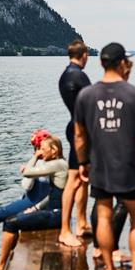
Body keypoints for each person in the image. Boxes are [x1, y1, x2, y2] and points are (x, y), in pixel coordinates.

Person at [74, 42, 135, 270]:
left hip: (99, 166)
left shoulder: (86, 95)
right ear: (122, 63)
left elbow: (80, 135)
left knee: (103, 216)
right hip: (128, 168)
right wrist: (129, 134)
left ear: (101, 63)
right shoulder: (134, 93)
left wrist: (82, 162)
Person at [0, 134, 69, 270]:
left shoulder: (57, 164)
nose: (39, 152)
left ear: (54, 150)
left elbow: (27, 172)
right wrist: (36, 208)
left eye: (42, 149)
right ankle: (4, 260)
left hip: (56, 215)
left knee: (10, 222)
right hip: (56, 213)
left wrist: (34, 158)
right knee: (16, 219)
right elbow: (53, 194)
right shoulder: (60, 163)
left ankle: (0, 268)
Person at [90, 58, 134, 264]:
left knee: (100, 203)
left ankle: (98, 248)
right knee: (124, 203)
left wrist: (83, 161)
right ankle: (113, 249)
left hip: (97, 155)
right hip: (120, 157)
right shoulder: (130, 94)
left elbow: (82, 130)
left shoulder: (90, 94)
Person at [58, 39, 92, 247]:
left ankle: (81, 222)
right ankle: (64, 230)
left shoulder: (66, 74)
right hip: (81, 132)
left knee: (82, 178)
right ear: (84, 55)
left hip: (76, 128)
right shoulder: (78, 75)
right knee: (74, 180)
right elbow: (93, 102)